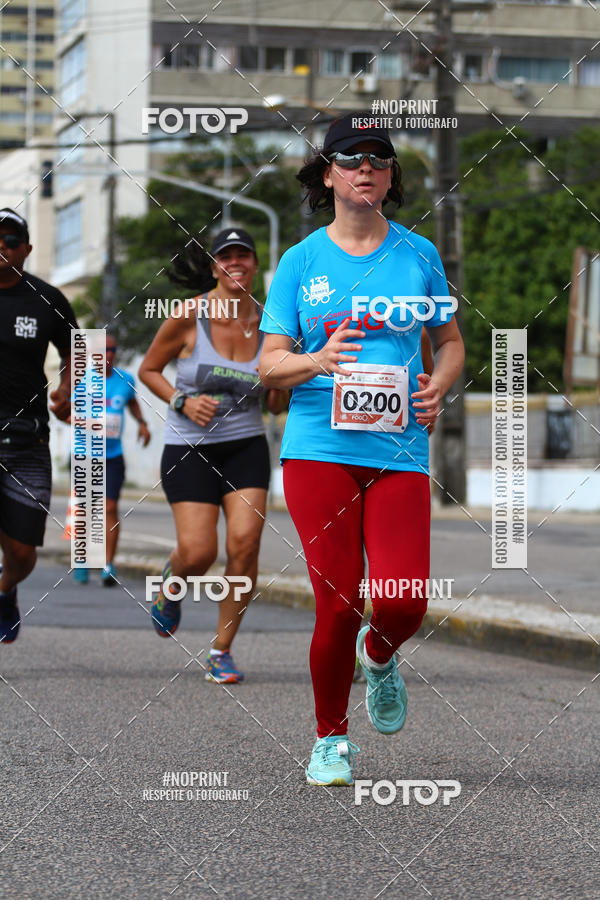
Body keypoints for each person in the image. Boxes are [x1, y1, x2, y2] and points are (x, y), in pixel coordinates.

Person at [259, 115, 465, 785]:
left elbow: (452, 342)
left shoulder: (418, 254)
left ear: (390, 176)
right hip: (319, 449)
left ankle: (379, 655)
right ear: (328, 174)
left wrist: (436, 384)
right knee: (338, 602)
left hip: (399, 448)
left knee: (403, 600)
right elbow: (268, 367)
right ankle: (329, 740)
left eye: (380, 158)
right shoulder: (301, 262)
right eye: (352, 158)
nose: (367, 168)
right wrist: (315, 360)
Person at [139, 228, 287, 683]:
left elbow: (277, 402)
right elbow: (148, 370)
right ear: (214, 267)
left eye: (245, 254)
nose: (236, 262)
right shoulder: (189, 315)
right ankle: (173, 580)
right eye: (227, 256)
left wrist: (284, 383)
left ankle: (221, 649)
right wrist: (181, 401)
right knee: (199, 552)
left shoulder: (273, 324)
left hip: (246, 447)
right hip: (188, 450)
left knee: (244, 545)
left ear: (256, 265)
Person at [0, 208, 77, 644]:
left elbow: (79, 352)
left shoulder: (47, 298)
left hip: (26, 439)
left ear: (26, 249)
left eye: (10, 240)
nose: (1, 247)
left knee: (23, 552)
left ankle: (6, 588)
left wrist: (68, 387)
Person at [72, 332, 151, 586]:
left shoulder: (125, 379)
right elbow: (66, 412)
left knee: (110, 508)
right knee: (84, 511)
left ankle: (108, 564)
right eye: (102, 350)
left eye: (112, 350)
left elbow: (132, 403)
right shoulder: (82, 380)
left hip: (113, 456)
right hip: (85, 454)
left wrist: (142, 424)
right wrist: (87, 422)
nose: (108, 355)